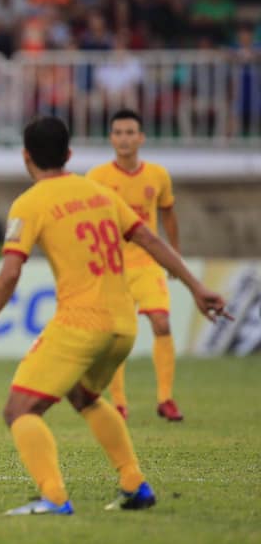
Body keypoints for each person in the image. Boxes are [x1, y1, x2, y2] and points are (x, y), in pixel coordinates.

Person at [0, 116, 228, 515]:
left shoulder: (30, 202)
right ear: (69, 154)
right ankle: (134, 484)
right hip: (122, 325)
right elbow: (151, 238)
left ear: (25, 157)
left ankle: (54, 497)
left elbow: (10, 271)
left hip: (81, 323)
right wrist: (196, 287)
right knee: (84, 395)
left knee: (19, 411)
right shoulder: (99, 192)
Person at [86, 109, 183, 421]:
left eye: (130, 132)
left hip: (148, 262)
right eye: (118, 133)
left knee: (161, 323)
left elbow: (168, 213)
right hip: (113, 267)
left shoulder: (158, 175)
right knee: (118, 334)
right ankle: (118, 403)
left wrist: (174, 256)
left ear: (141, 138)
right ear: (111, 138)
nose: (124, 138)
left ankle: (166, 399)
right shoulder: (97, 177)